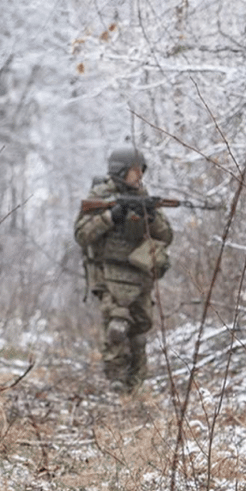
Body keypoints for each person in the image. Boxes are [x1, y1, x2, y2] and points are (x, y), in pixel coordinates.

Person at [73, 148, 174, 392]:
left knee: (139, 329)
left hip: (139, 275)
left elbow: (167, 235)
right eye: (134, 171)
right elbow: (82, 235)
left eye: (141, 171)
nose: (139, 176)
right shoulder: (101, 196)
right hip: (109, 274)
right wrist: (111, 216)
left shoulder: (143, 195)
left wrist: (150, 217)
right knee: (117, 328)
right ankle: (116, 382)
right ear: (120, 170)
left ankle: (136, 384)